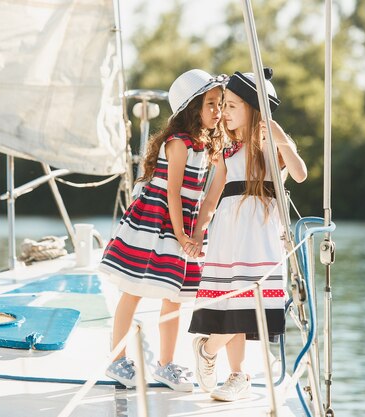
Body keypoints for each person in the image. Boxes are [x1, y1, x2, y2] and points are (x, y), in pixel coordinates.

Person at [99, 69, 225, 392]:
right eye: (211, 104)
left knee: (176, 296)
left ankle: (166, 364)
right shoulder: (179, 144)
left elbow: (205, 193)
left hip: (181, 225)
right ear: (191, 108)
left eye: (220, 103)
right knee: (134, 288)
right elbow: (172, 193)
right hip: (155, 225)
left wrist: (195, 233)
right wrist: (182, 235)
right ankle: (117, 358)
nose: (217, 110)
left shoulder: (206, 144)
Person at [187, 68, 307, 401]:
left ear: (253, 109)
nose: (224, 112)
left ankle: (208, 349)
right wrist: (197, 233)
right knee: (232, 303)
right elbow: (212, 196)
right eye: (223, 105)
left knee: (250, 302)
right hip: (229, 233)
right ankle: (238, 374)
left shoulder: (273, 143)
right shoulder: (226, 150)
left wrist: (281, 138)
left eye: (232, 106)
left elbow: (299, 174)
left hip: (263, 235)